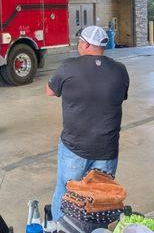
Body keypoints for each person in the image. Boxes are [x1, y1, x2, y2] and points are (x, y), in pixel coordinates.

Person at [46, 26, 129, 221]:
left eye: (80, 42)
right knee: (100, 199)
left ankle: (62, 227)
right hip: (107, 150)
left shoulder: (68, 66)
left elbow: (50, 91)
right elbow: (120, 96)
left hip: (74, 149)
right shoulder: (120, 70)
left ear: (86, 44)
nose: (78, 45)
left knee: (66, 195)